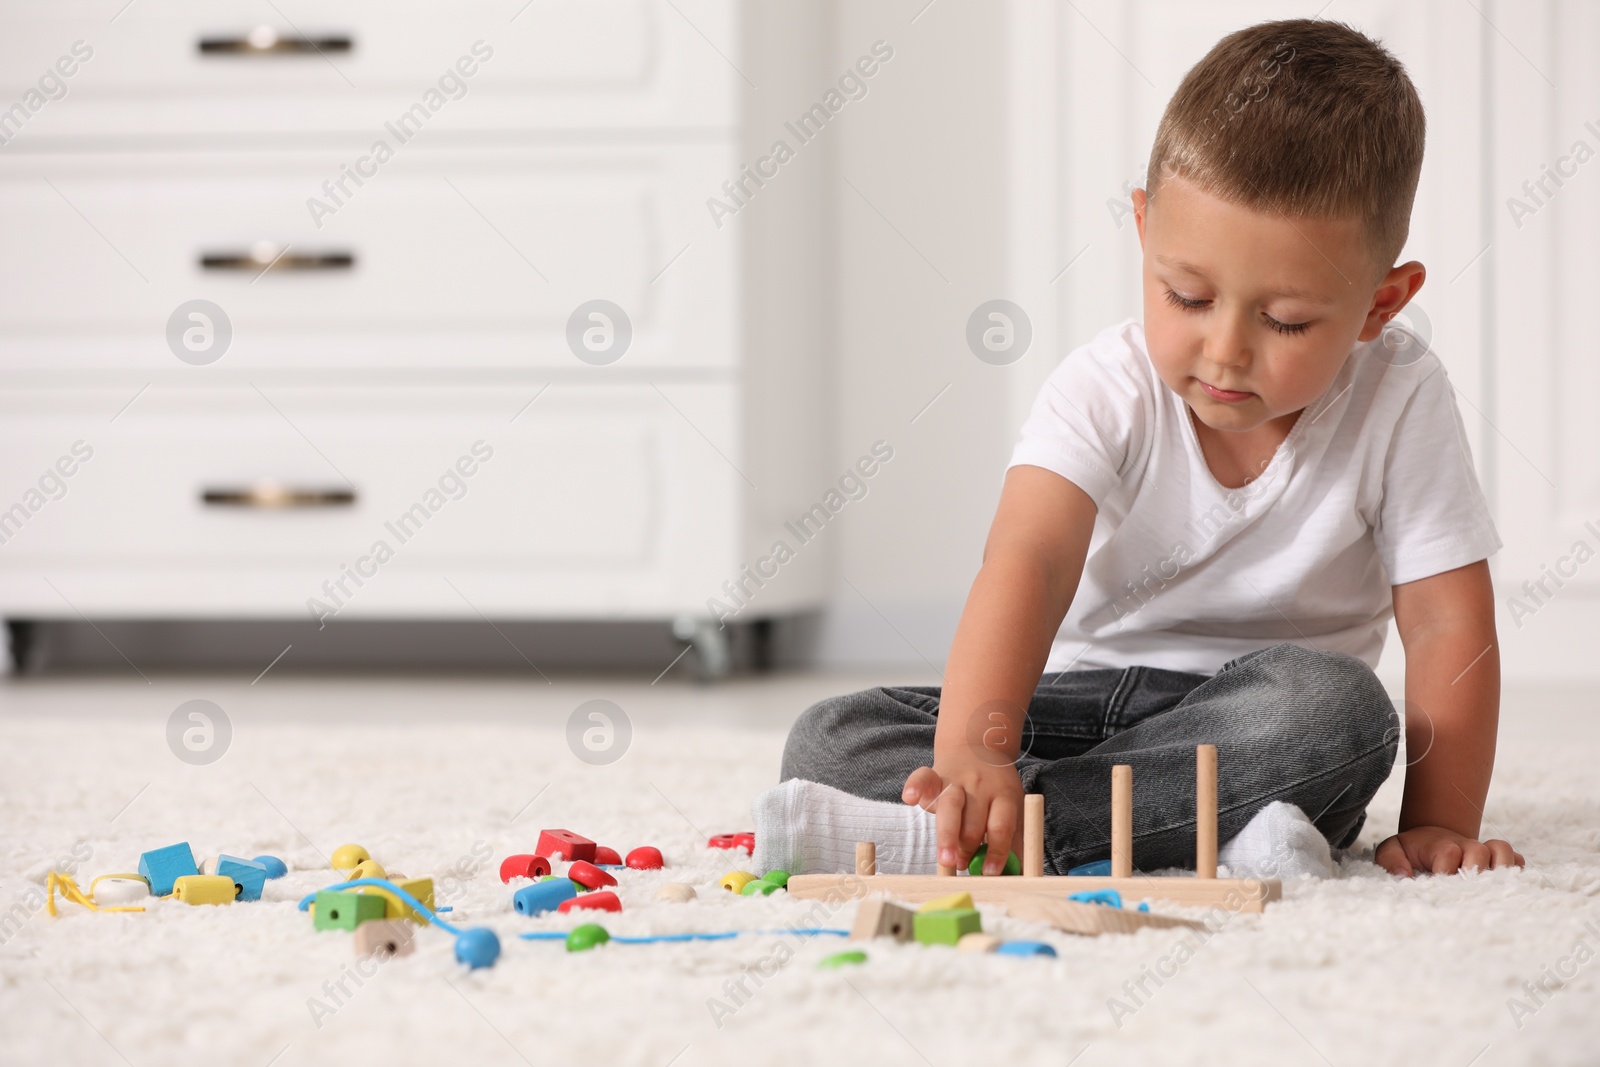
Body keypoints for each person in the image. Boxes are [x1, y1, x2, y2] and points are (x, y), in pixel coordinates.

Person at [756, 18, 1524, 881]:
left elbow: (1444, 619)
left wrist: (1440, 821)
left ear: (1382, 304)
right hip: (1091, 707)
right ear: (1145, 228)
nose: (1225, 350)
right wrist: (978, 753)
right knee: (830, 737)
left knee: (1341, 712)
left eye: (1285, 321)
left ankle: (998, 838)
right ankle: (1209, 834)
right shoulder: (1105, 384)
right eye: (1187, 295)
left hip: (1266, 719)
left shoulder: (1402, 394)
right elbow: (1031, 560)